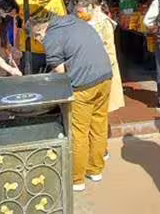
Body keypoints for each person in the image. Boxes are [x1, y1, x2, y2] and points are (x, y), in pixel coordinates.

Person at [29, 10, 112, 192]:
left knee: (78, 132)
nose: (38, 41)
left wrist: (44, 81)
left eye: (36, 38)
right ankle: (95, 170)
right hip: (105, 77)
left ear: (39, 30)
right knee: (99, 125)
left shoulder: (51, 36)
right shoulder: (76, 22)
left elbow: (60, 71)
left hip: (83, 85)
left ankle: (77, 179)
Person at [76, 0, 124, 113]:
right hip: (88, 62)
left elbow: (109, 46)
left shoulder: (104, 22)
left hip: (103, 62)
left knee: (105, 99)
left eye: (80, 11)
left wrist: (108, 62)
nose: (79, 14)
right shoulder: (84, 21)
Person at [18, 0, 67, 74]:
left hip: (50, 49)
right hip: (29, 48)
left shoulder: (57, 2)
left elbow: (62, 25)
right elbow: (17, 22)